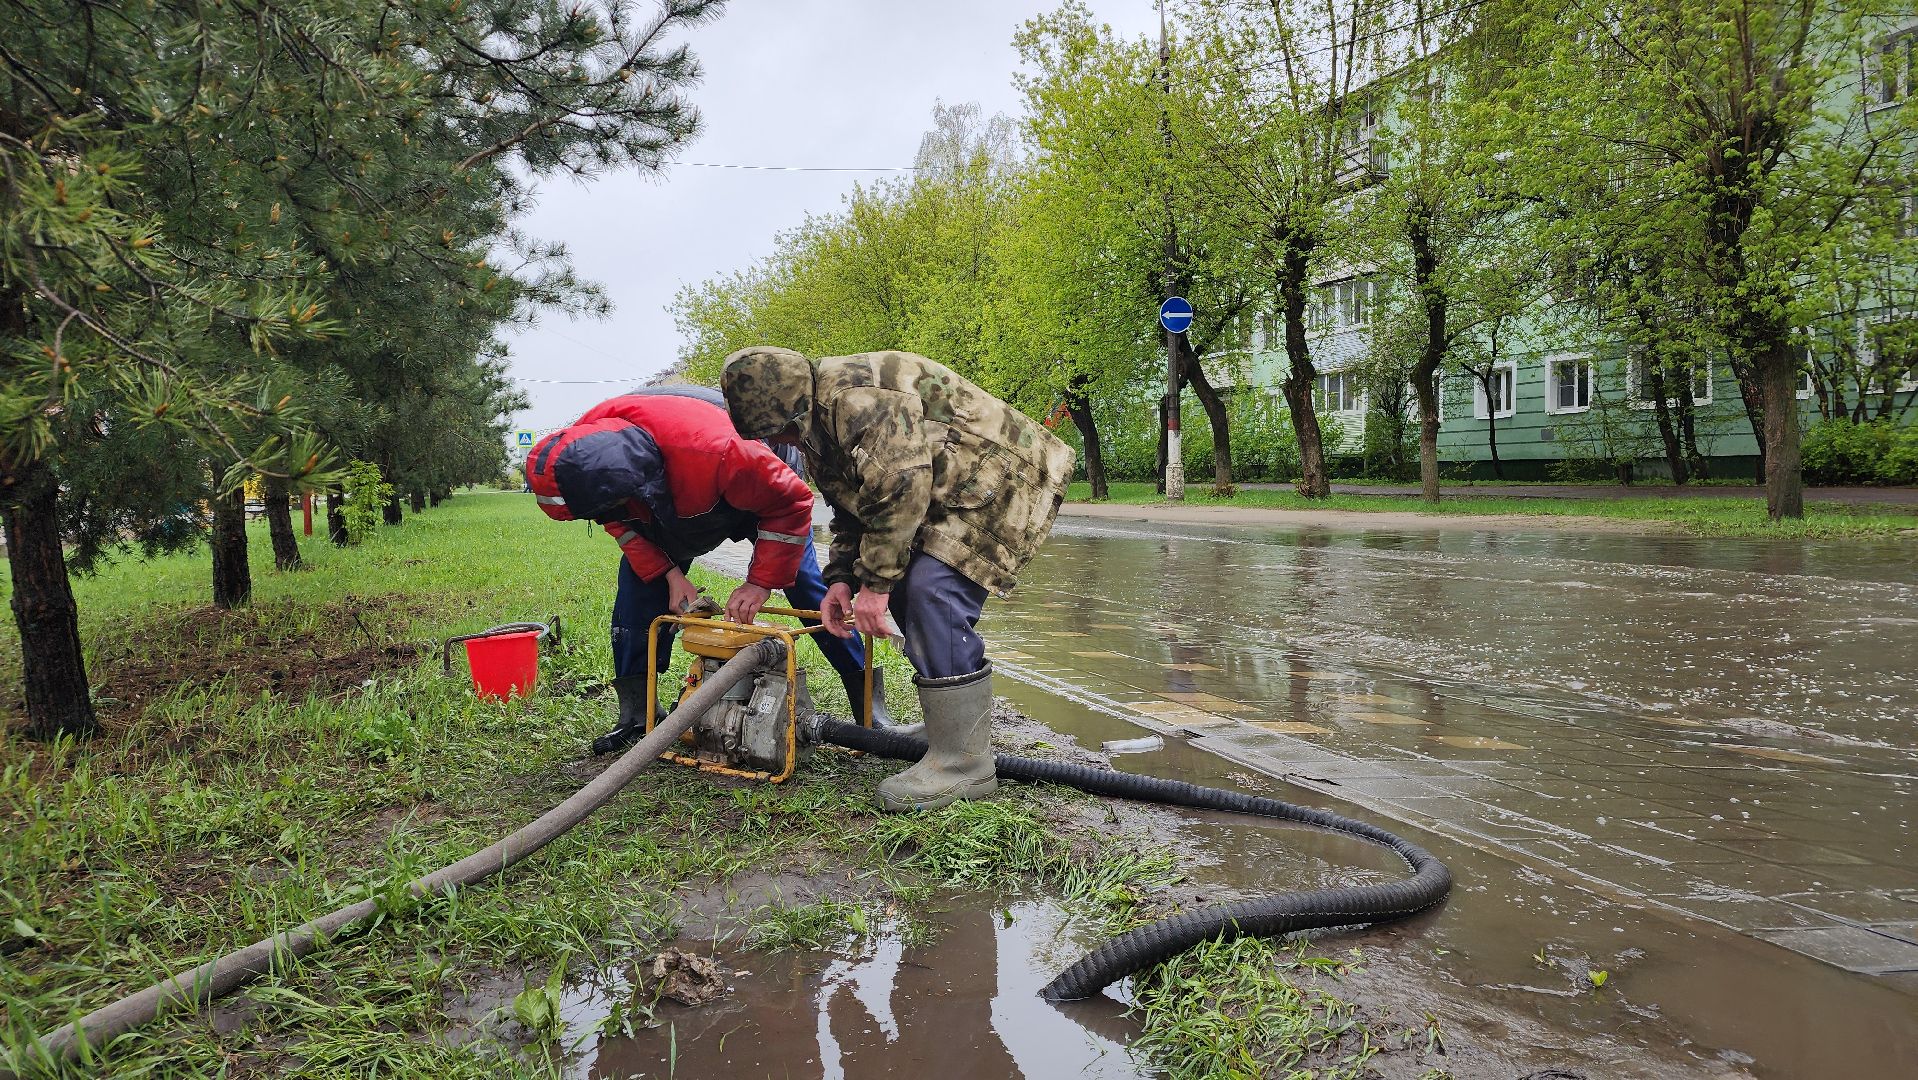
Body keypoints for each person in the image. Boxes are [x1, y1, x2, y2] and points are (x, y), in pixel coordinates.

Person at [720, 348, 1075, 811]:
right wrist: (843, 580)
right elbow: (854, 506)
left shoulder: (856, 400)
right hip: (946, 485)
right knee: (911, 585)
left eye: (778, 430)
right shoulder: (817, 430)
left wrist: (876, 588)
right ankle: (947, 731)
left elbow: (900, 490)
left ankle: (965, 763)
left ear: (794, 409)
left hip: (999, 476)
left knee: (932, 589)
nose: (779, 441)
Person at [524, 386, 891, 755]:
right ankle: (638, 714)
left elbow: (791, 503)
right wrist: (669, 573)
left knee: (807, 587)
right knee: (637, 592)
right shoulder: (585, 456)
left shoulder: (723, 451)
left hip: (757, 488)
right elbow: (618, 521)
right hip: (674, 498)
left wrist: (760, 583)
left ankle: (869, 709)